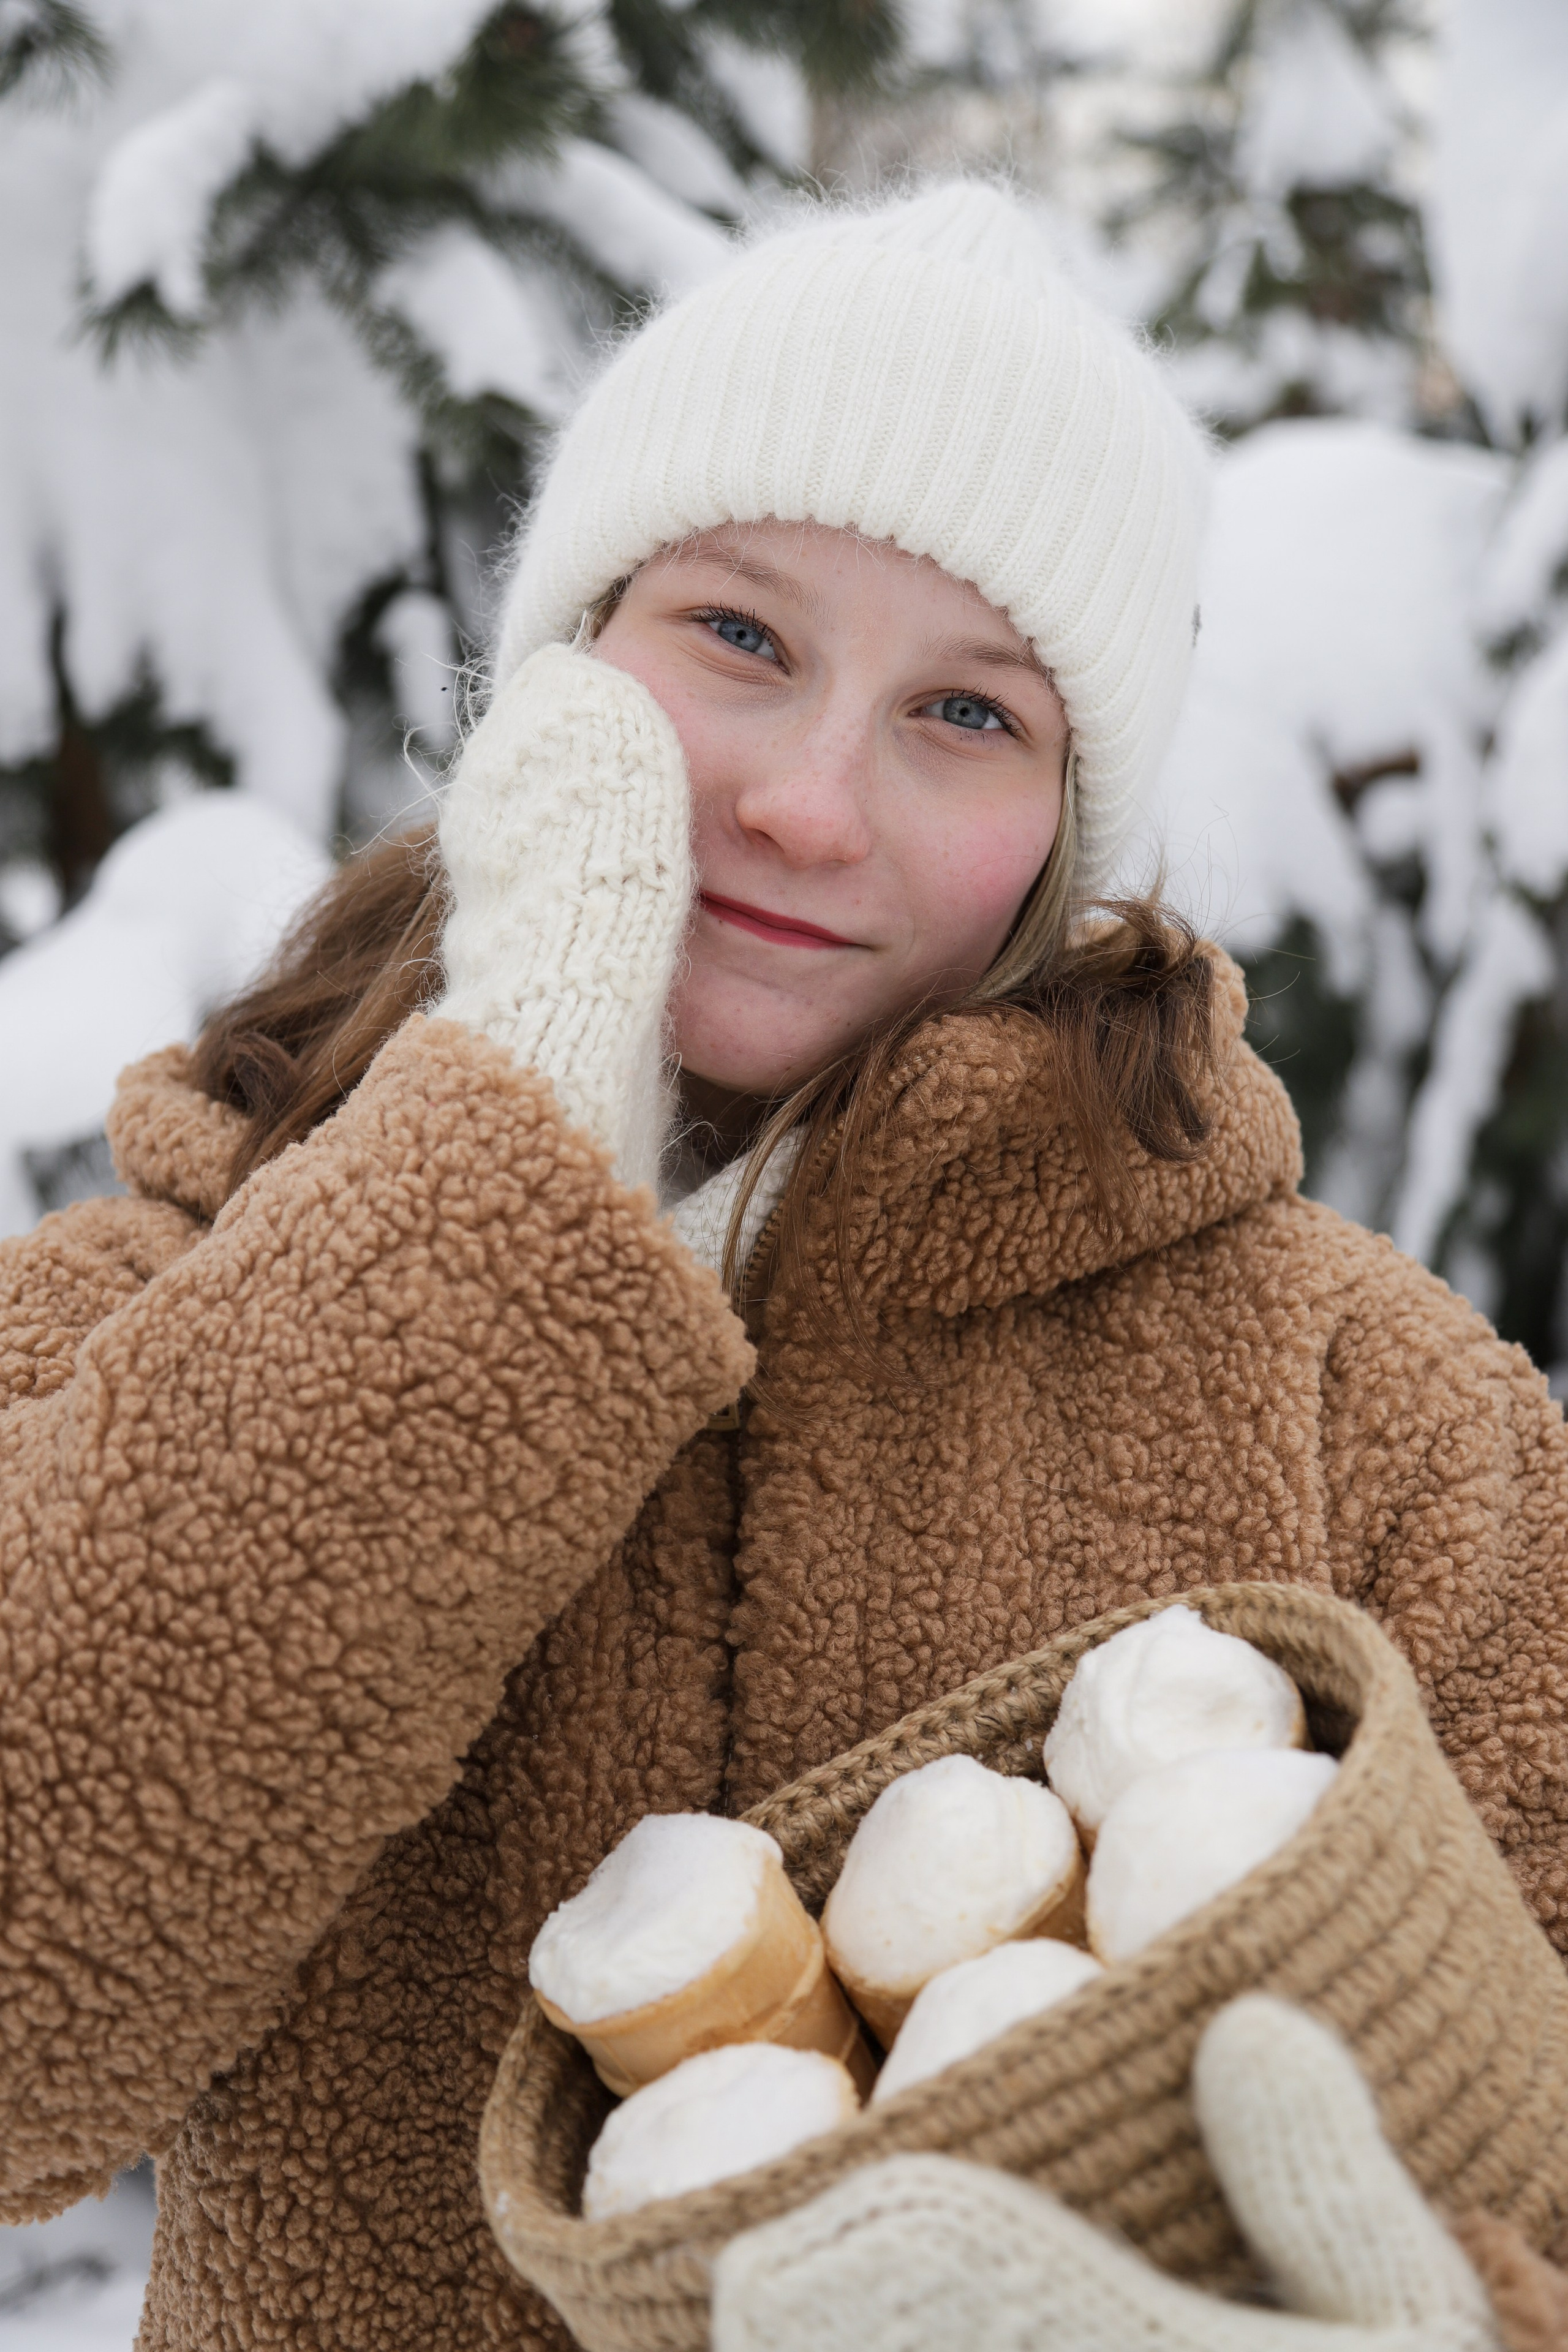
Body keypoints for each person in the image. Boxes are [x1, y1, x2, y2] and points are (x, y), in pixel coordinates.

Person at [1, 181, 1565, 2352]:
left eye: (968, 716)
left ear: (1066, 838)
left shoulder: (1361, 1401)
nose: (813, 806)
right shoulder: (170, 1283)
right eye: (740, 637)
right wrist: (509, 1143)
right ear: (564, 668)